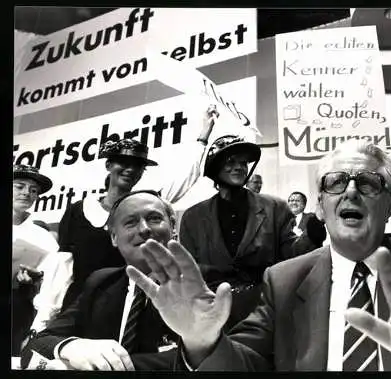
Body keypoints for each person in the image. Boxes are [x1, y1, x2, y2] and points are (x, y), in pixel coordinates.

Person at [128, 140, 391, 371]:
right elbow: (245, 364)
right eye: (335, 182)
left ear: (390, 204)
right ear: (320, 205)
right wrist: (202, 340)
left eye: (367, 183)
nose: (350, 191)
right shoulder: (284, 280)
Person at [58, 106, 219, 311]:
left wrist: (203, 136)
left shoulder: (147, 205)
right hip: (80, 307)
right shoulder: (78, 211)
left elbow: (186, 176)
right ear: (108, 165)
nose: (130, 169)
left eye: (138, 165)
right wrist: (44, 320)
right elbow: (63, 267)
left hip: (128, 306)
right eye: (123, 162)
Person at [21, 190, 180, 371]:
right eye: (130, 222)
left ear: (173, 227)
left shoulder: (207, 282)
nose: (144, 228)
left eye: (154, 218)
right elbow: (38, 344)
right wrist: (71, 347)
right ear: (114, 237)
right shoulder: (100, 283)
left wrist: (99, 366)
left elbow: (198, 356)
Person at [179, 135, 297, 329]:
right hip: (213, 315)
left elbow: (292, 257)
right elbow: (189, 270)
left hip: (266, 310)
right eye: (230, 162)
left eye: (243, 162)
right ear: (215, 168)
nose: (239, 167)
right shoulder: (193, 217)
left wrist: (314, 231)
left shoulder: (275, 207)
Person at [12, 165, 72, 356]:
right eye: (19, 187)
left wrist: (33, 280)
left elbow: (52, 281)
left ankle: (31, 338)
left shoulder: (43, 236)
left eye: (33, 190)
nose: (26, 193)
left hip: (17, 307)